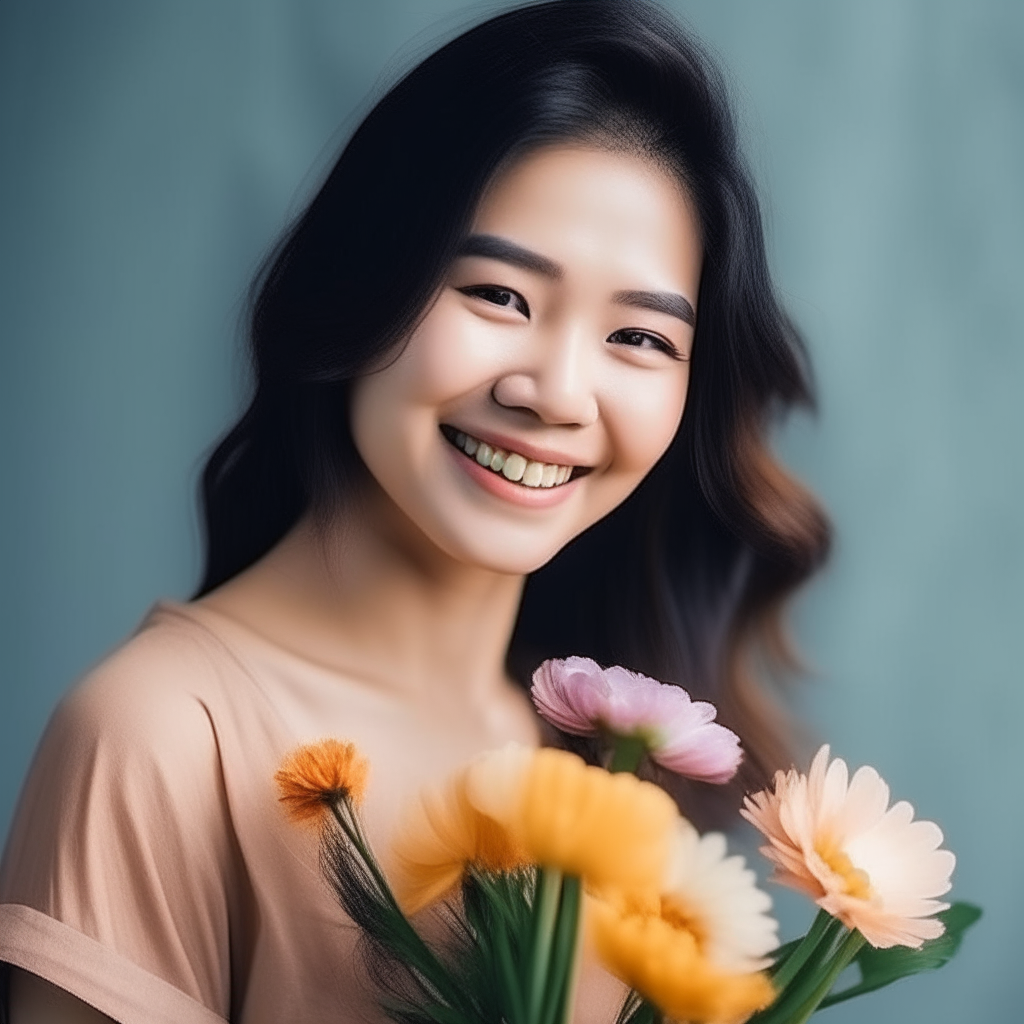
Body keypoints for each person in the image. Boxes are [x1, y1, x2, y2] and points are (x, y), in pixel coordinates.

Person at [0, 1, 829, 1021]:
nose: (558, 393)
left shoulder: (597, 762)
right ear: (361, 279)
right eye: (499, 295)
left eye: (640, 339)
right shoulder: (162, 735)